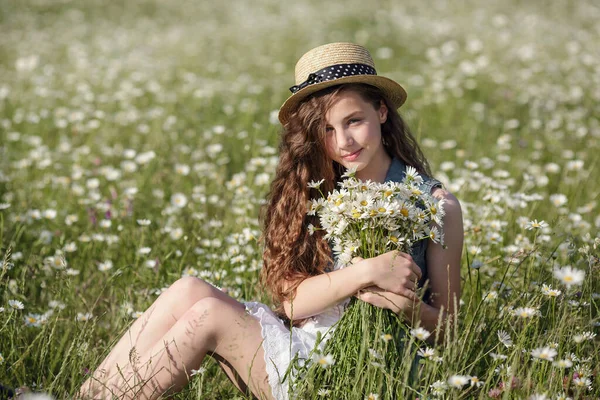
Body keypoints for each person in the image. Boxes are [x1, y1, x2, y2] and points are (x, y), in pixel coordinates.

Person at [78, 42, 463, 400]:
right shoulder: (319, 190)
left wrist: (407, 308)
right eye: (326, 130)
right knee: (188, 289)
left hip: (362, 373)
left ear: (381, 112)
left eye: (354, 120)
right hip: (306, 347)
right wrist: (366, 273)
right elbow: (291, 303)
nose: (343, 140)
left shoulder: (433, 206)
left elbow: (450, 330)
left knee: (209, 315)